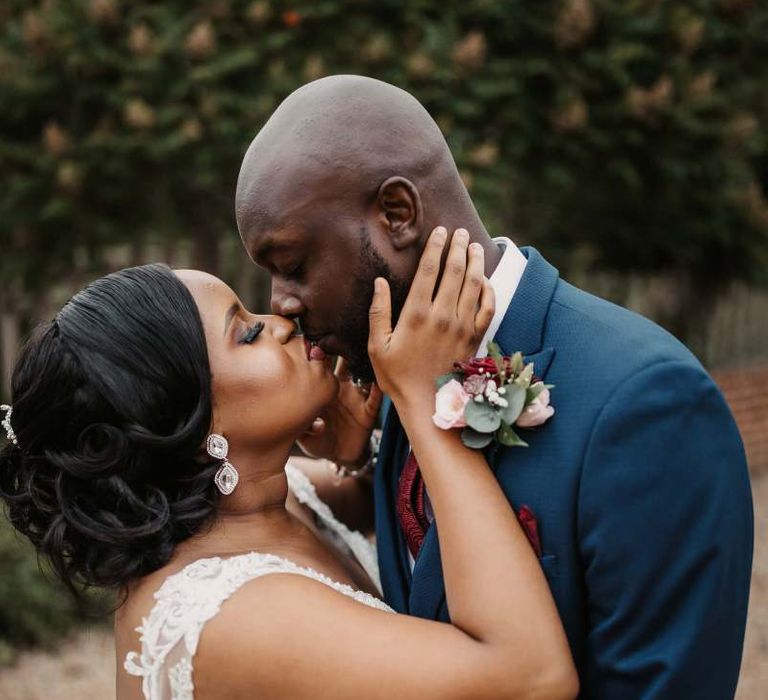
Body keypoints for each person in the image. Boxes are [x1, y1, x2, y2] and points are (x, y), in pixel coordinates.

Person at [236, 75, 754, 698]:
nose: (280, 304)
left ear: (397, 214)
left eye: (292, 266)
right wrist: (366, 458)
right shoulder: (407, 374)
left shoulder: (646, 403)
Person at [0, 232, 578, 699]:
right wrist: (425, 407)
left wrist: (360, 452)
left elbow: (377, 493)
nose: (280, 321)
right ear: (194, 426)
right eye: (247, 333)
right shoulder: (230, 617)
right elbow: (531, 678)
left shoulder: (277, 501)